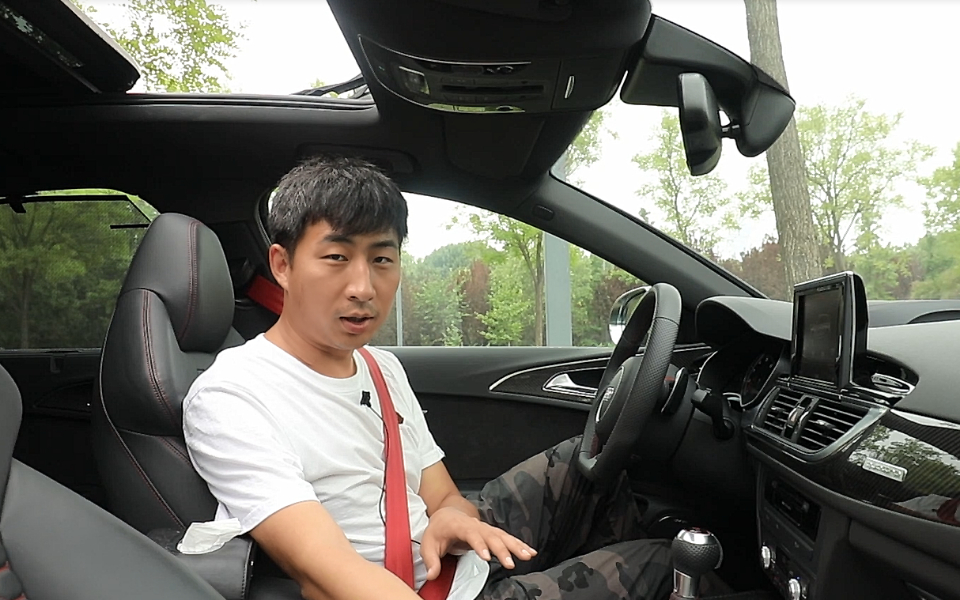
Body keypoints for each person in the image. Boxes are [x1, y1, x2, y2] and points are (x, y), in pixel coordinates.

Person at [182, 156, 675, 600]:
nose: (363, 287)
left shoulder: (381, 368)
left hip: (449, 563)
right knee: (663, 566)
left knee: (586, 462)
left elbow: (441, 494)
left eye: (382, 259)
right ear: (283, 265)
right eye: (336, 257)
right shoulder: (231, 397)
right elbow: (325, 574)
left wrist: (452, 519)